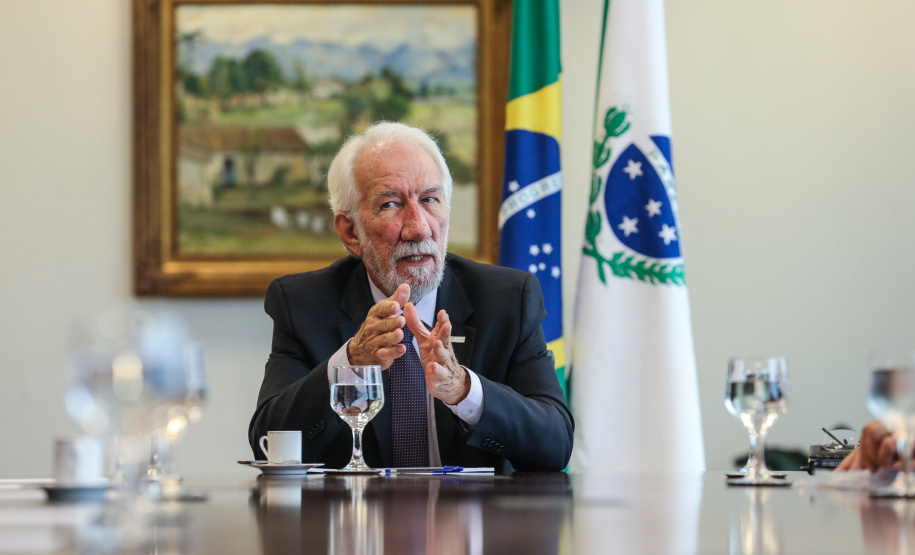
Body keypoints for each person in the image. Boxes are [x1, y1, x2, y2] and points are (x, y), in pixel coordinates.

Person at [248, 121, 573, 472]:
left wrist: (464, 390)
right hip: (355, 522)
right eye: (390, 204)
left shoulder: (508, 299)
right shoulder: (303, 303)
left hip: (474, 522)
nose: (418, 227)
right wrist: (351, 363)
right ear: (350, 231)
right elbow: (271, 444)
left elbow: (555, 443)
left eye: (430, 200)